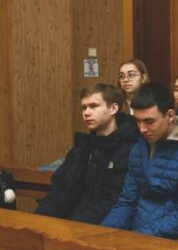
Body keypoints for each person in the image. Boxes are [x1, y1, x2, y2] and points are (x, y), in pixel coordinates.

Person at [101, 83, 178, 239]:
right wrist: (104, 233)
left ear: (170, 115)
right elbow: (127, 201)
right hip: (135, 234)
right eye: (138, 121)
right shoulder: (138, 149)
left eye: (149, 121)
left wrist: (136, 238)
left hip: (169, 240)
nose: (142, 129)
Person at [36, 84, 137, 224]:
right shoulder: (82, 148)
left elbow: (114, 201)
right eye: (84, 108)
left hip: (98, 226)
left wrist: (72, 225)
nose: (86, 113)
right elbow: (58, 190)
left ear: (113, 109)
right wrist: (39, 220)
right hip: (68, 222)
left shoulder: (128, 148)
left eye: (93, 106)